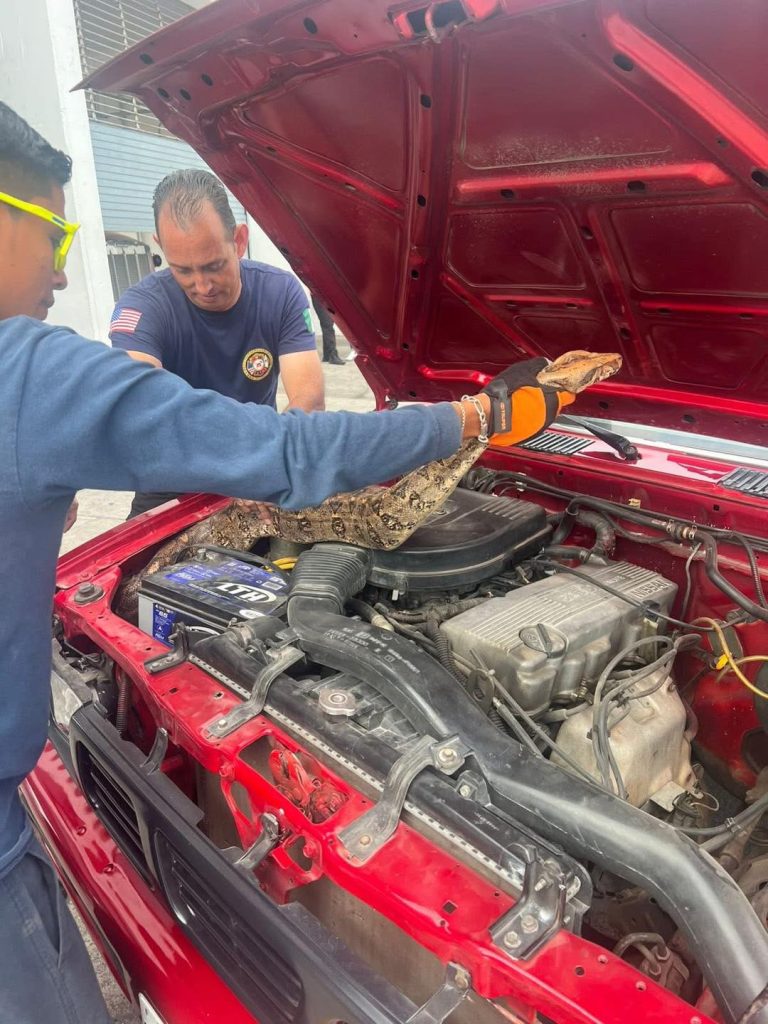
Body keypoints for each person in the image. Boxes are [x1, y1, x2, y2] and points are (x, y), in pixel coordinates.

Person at [0, 100, 564, 1023]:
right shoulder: (30, 370)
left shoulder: (270, 296)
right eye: (54, 230)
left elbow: (301, 408)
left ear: (240, 244)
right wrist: (474, 418)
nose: (64, 268)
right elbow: (289, 452)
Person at [110, 168, 327, 517]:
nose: (203, 285)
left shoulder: (280, 293)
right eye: (183, 270)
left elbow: (309, 400)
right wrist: (231, 467)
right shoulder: (142, 307)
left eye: (214, 266)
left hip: (259, 465)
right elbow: (142, 409)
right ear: (161, 247)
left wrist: (257, 463)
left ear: (239, 240)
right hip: (170, 481)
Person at [311, 293, 344, 364]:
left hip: (328, 296)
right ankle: (333, 355)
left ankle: (327, 355)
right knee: (327, 324)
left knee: (328, 323)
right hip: (318, 296)